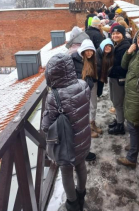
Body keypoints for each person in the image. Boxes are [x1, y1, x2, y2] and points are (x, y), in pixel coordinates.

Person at [42, 53, 91, 211]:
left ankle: (72, 202)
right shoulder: (83, 85)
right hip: (83, 139)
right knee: (81, 166)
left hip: (66, 145)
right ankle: (81, 193)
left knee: (67, 172)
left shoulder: (53, 96)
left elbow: (46, 126)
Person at [117, 30, 139, 168]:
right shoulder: (136, 53)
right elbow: (124, 65)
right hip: (132, 95)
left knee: (133, 125)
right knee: (134, 125)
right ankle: (134, 146)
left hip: (136, 97)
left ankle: (131, 157)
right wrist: (129, 51)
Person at [72, 39, 101, 138]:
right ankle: (86, 128)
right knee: (84, 108)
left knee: (94, 105)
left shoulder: (94, 59)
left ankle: (92, 123)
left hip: (92, 85)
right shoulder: (74, 59)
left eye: (91, 50)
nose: (89, 53)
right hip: (81, 87)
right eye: (87, 50)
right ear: (82, 50)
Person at [108, 25, 131, 135]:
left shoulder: (125, 47)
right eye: (113, 34)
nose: (115, 35)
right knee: (113, 99)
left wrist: (109, 69)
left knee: (118, 102)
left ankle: (120, 125)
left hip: (119, 79)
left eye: (117, 33)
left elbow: (124, 67)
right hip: (113, 77)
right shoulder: (117, 45)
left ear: (122, 34)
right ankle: (118, 119)